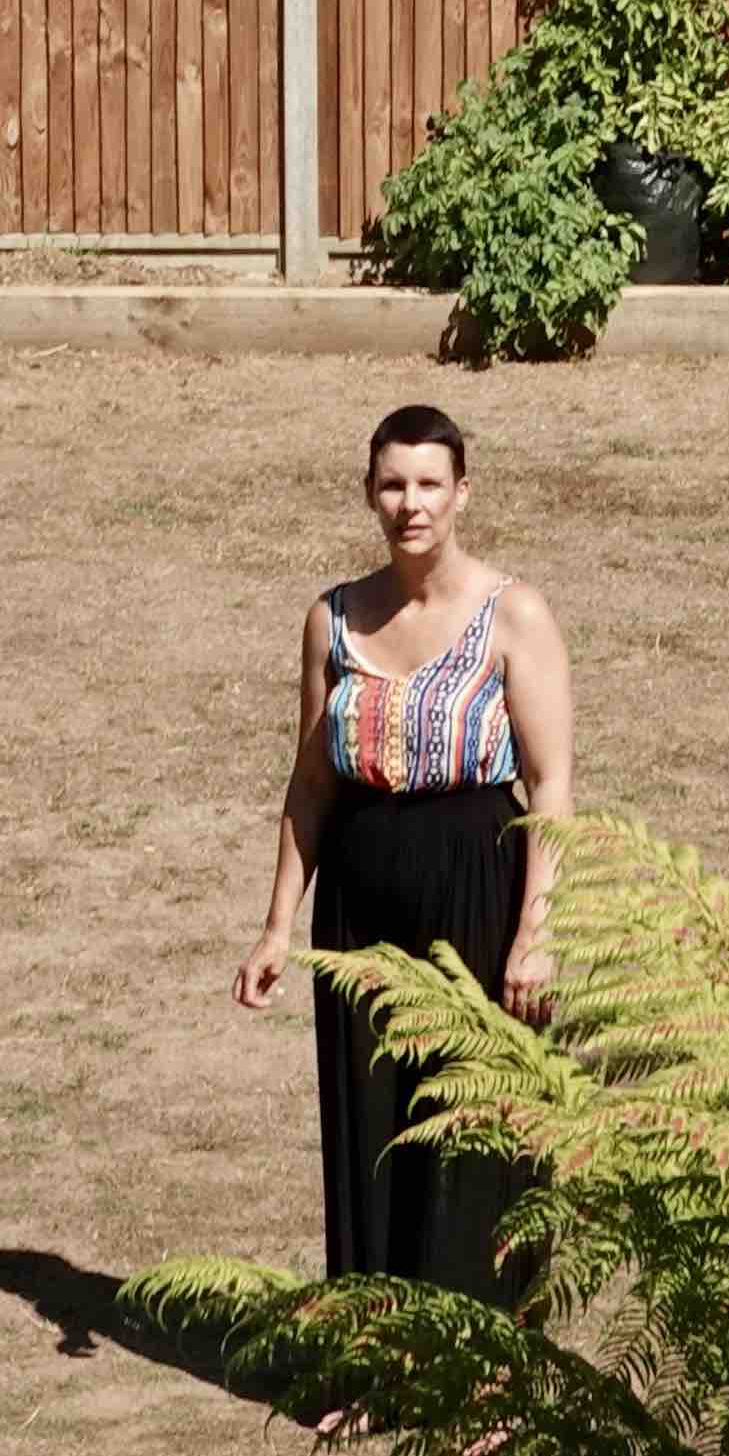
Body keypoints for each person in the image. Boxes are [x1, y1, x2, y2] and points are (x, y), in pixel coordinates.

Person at [236, 404, 572, 1300]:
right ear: (369, 495)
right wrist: (278, 928)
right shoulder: (333, 618)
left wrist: (534, 937)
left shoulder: (515, 615)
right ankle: (373, 1350)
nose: (410, 505)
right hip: (360, 898)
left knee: (473, 1123)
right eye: (393, 485)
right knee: (370, 1123)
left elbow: (553, 789)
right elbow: (311, 785)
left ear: (463, 492)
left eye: (429, 484)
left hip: (476, 884)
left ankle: (484, 1367)